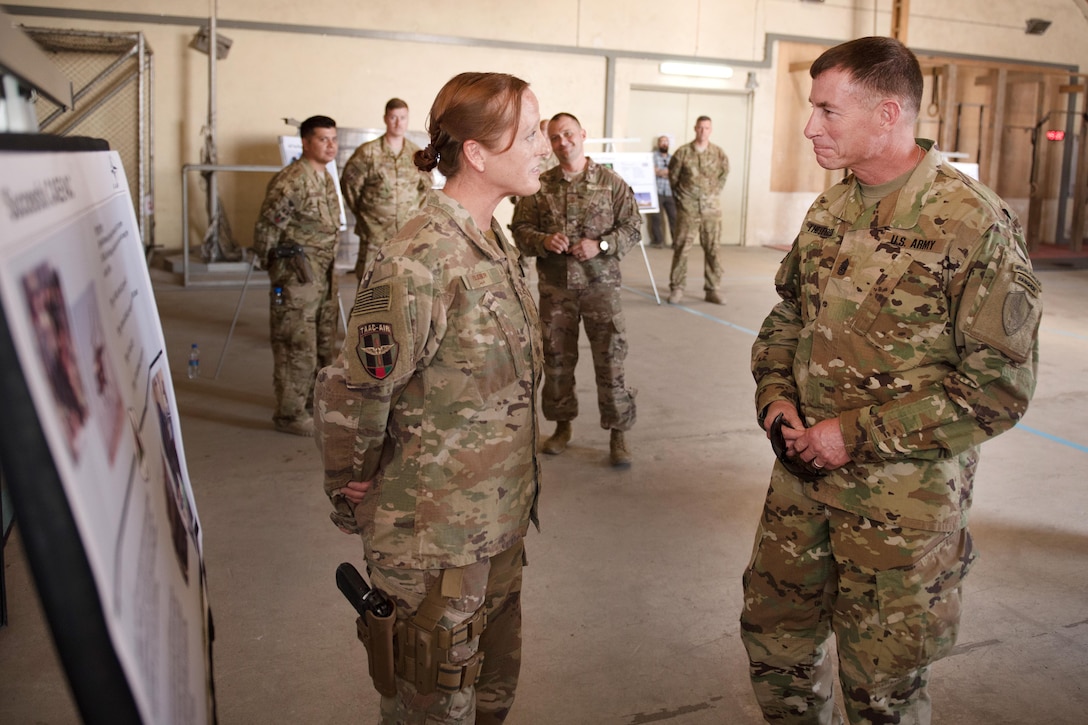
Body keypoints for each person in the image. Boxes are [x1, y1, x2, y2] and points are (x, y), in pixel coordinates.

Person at [742, 36, 1042, 724]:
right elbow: (788, 318)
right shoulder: (831, 210)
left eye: (827, 110)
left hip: (898, 514)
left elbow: (998, 389)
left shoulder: (973, 224)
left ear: (886, 115)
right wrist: (777, 400)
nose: (812, 126)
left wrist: (853, 434)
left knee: (882, 690)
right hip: (799, 488)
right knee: (776, 647)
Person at [314, 72, 549, 724]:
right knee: (433, 709)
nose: (543, 148)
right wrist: (350, 484)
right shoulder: (421, 256)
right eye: (529, 134)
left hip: (496, 526)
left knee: (493, 694)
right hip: (432, 541)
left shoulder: (493, 242)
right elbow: (352, 388)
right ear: (477, 151)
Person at [511, 112, 640, 467]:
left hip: (601, 289)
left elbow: (633, 227)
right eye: (554, 137)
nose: (562, 142)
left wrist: (600, 246)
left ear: (583, 134)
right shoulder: (540, 184)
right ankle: (562, 427)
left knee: (611, 360)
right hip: (556, 291)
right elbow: (519, 229)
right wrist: (542, 240)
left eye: (568, 134)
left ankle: (618, 433)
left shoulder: (610, 183)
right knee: (555, 362)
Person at [253, 115, 340, 436]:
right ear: (305, 142)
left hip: (322, 276)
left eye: (333, 139)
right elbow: (266, 228)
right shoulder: (291, 180)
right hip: (297, 276)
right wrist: (275, 272)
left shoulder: (325, 177)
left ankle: (310, 403)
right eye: (323, 139)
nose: (330, 145)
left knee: (321, 342)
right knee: (296, 343)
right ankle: (289, 414)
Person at [340, 98, 433, 279]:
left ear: (408, 119)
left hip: (406, 235)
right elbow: (349, 186)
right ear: (385, 119)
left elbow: (426, 188)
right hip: (375, 234)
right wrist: (367, 215)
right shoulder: (368, 152)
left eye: (403, 118)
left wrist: (413, 214)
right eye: (393, 117)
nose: (398, 123)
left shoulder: (416, 154)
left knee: (403, 284)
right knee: (369, 284)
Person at [667, 116, 729, 305]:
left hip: (711, 210)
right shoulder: (683, 153)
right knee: (681, 248)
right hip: (688, 209)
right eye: (700, 127)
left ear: (711, 130)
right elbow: (673, 178)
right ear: (695, 128)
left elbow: (723, 175)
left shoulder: (718, 153)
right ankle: (677, 287)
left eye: (707, 128)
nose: (703, 131)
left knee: (713, 249)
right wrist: (684, 200)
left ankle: (713, 289)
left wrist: (713, 193)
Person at [648, 135, 677, 248]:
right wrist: (665, 172)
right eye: (662, 141)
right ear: (658, 144)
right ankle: (658, 241)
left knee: (674, 217)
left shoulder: (673, 158)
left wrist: (661, 172)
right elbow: (652, 170)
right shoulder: (653, 157)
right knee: (656, 218)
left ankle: (676, 241)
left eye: (666, 142)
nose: (664, 144)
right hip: (657, 191)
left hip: (670, 192)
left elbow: (675, 172)